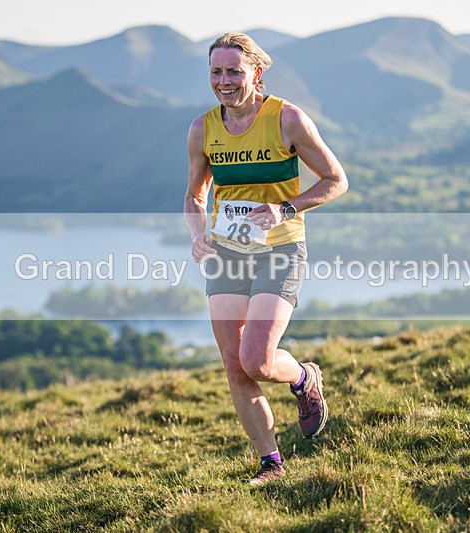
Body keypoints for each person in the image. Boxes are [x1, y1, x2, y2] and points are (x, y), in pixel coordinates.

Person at [184, 32, 348, 486]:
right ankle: (271, 464)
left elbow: (336, 180)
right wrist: (198, 236)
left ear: (257, 72)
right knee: (235, 365)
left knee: (257, 359)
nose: (224, 80)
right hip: (227, 252)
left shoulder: (287, 118)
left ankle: (302, 378)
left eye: (234, 71)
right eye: (216, 72)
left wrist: (286, 206)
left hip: (280, 248)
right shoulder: (203, 128)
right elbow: (195, 197)